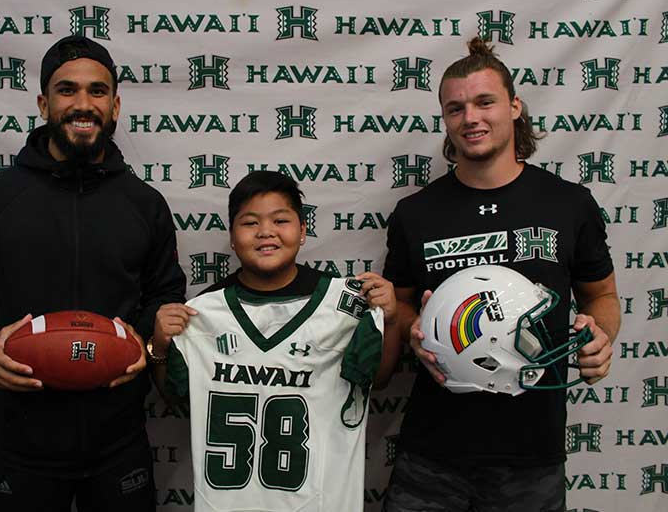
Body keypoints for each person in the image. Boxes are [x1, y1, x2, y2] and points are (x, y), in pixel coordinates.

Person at [0, 35, 186, 512]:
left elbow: (166, 296)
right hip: (25, 446)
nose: (82, 104)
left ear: (115, 105)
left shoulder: (145, 206)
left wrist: (145, 340)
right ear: (45, 102)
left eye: (98, 91)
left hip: (120, 442)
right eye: (67, 90)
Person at [381, 37, 620, 512]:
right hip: (432, 451)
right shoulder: (415, 213)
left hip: (532, 454)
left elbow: (603, 296)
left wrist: (600, 336)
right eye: (455, 108)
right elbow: (402, 302)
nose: (470, 118)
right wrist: (410, 328)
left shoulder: (569, 203)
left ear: (514, 106)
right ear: (445, 121)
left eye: (484, 102)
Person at [145, 171, 402, 511]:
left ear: (303, 230)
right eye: (250, 223)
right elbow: (177, 397)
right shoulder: (201, 313)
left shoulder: (345, 305)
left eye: (281, 220)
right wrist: (160, 346)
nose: (266, 232)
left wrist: (391, 320)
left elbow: (378, 379)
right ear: (232, 237)